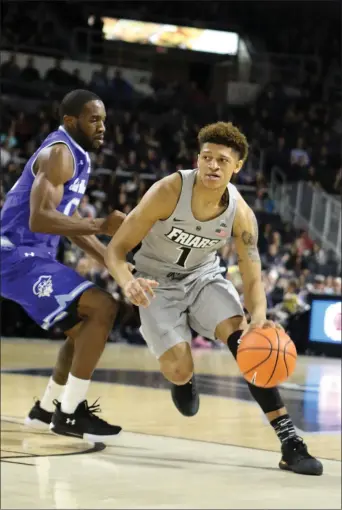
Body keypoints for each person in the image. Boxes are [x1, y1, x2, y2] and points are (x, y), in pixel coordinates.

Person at [104, 122, 323, 475]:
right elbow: (115, 251)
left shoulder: (241, 213)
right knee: (178, 367)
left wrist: (259, 317)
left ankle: (290, 442)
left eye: (222, 160)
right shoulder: (167, 191)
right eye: (207, 157)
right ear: (198, 159)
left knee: (248, 345)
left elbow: (252, 277)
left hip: (203, 278)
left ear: (237, 167)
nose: (213, 165)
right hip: (156, 283)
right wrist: (127, 281)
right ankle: (183, 379)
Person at [1, 89, 124, 444]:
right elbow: (41, 219)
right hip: (14, 254)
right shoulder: (60, 154)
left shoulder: (76, 155)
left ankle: (46, 409)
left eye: (103, 119)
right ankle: (69, 413)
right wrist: (101, 224)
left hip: (29, 256)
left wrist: (112, 262)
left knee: (85, 327)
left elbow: (65, 222)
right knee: (102, 306)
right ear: (71, 121)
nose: (102, 126)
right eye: (93, 119)